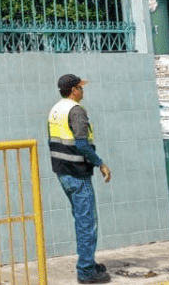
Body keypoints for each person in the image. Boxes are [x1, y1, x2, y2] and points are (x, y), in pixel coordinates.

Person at [48, 74, 113, 284]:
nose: (83, 91)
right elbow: (82, 145)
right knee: (87, 222)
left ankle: (88, 261)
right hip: (77, 172)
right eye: (81, 88)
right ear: (74, 90)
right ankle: (86, 271)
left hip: (63, 172)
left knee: (81, 218)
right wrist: (100, 163)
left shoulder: (56, 109)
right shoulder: (76, 111)